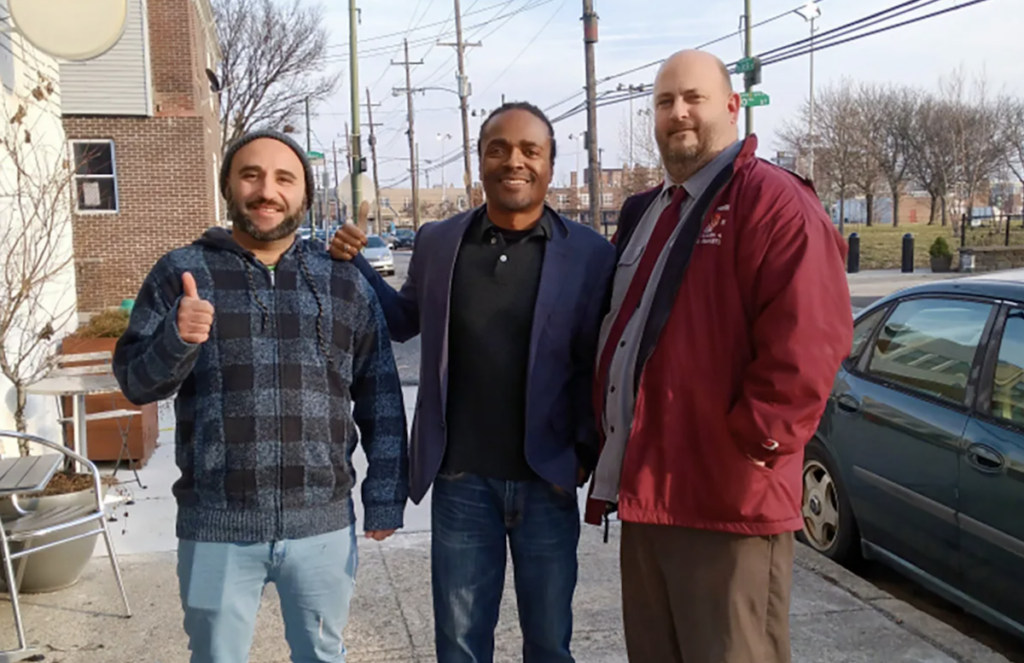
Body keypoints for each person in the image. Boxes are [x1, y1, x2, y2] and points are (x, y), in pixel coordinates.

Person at [585, 50, 853, 663]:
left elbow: (812, 339)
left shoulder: (773, 202)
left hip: (727, 503)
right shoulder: (648, 211)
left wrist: (754, 444)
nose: (677, 113)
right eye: (663, 101)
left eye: (693, 98)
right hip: (649, 497)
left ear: (733, 107)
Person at [330, 102, 615, 663]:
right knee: (459, 646)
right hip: (462, 482)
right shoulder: (439, 242)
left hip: (546, 480)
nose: (515, 160)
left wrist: (583, 455)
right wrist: (357, 264)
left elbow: (596, 363)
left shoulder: (589, 254)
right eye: (499, 148)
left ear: (550, 166)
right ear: (479, 162)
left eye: (530, 150)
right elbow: (402, 321)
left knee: (550, 643)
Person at [113, 130, 409, 663]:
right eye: (251, 175)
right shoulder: (183, 273)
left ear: (304, 195)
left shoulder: (342, 281)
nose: (266, 190)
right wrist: (176, 339)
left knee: (323, 656)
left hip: (321, 525)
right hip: (216, 524)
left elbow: (380, 395)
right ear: (228, 185)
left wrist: (384, 495)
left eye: (283, 178)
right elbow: (137, 382)